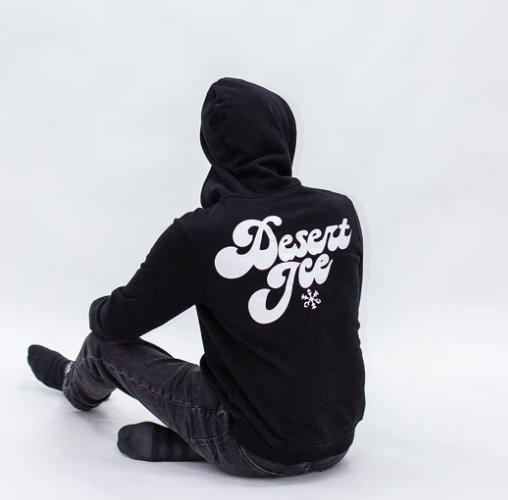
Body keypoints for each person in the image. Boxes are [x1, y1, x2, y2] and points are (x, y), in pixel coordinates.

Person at [27, 77, 366, 478]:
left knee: (102, 347)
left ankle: (77, 383)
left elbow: (116, 324)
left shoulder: (202, 233)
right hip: (338, 442)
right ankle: (199, 444)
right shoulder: (339, 212)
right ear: (284, 134)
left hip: (253, 448)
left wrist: (96, 309)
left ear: (213, 147)